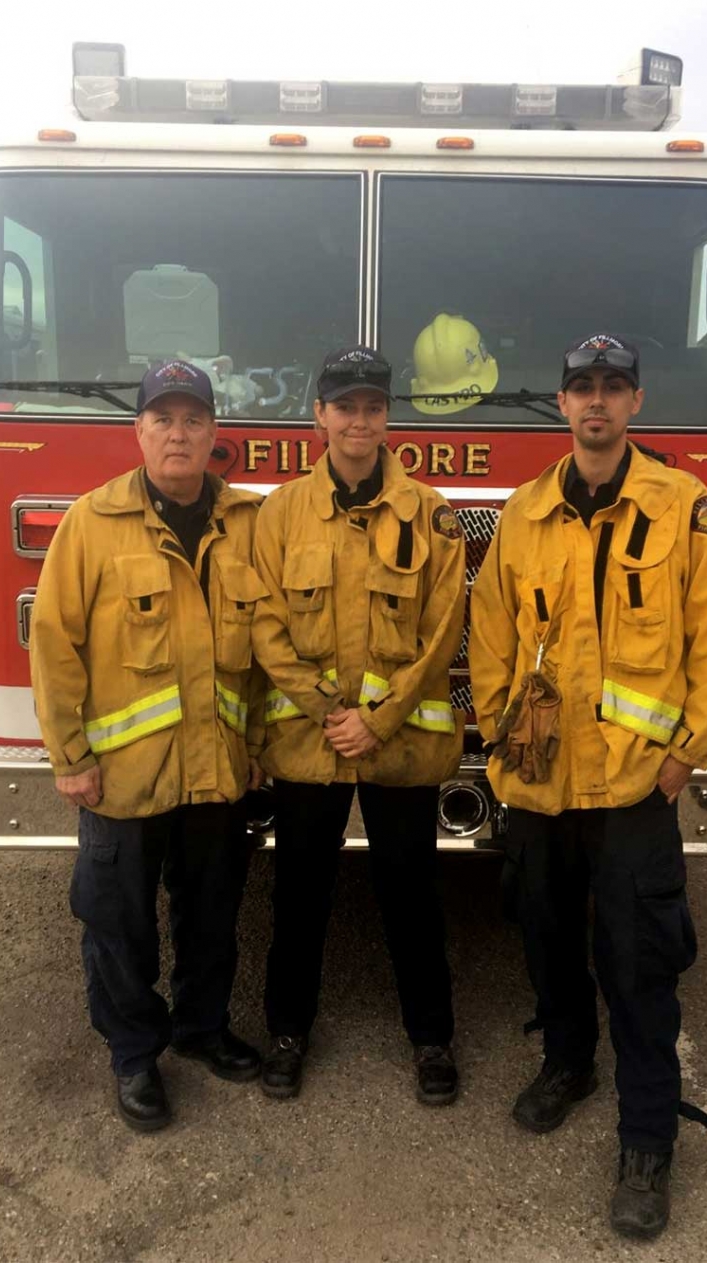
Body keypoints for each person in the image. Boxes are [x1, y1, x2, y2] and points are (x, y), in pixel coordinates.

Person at [469, 333, 707, 1239]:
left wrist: (683, 756)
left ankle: (647, 1140)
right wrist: (508, 751)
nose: (596, 402)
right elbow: (493, 639)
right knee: (546, 940)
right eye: (581, 387)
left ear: (634, 402)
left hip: (634, 790)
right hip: (542, 786)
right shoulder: (524, 512)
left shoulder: (685, 508)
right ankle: (567, 1060)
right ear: (561, 404)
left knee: (639, 967)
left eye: (613, 387)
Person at [30, 360, 267, 1132]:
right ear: (138, 432)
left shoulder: (249, 523)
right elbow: (55, 645)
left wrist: (258, 743)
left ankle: (202, 1030)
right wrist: (71, 757)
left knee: (212, 914)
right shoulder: (91, 524)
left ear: (213, 433)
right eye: (162, 418)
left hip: (217, 772)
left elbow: (269, 649)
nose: (178, 432)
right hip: (123, 780)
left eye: (193, 418)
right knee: (119, 923)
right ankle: (134, 1054)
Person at [250, 346, 465, 1104]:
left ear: (387, 416)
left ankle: (432, 1038)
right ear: (320, 414)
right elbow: (267, 625)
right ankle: (287, 1031)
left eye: (373, 406)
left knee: (412, 893)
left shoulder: (429, 511)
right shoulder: (278, 514)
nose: (360, 421)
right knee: (298, 893)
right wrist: (328, 713)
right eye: (345, 406)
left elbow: (444, 627)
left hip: (397, 745)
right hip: (310, 747)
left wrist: (378, 719)